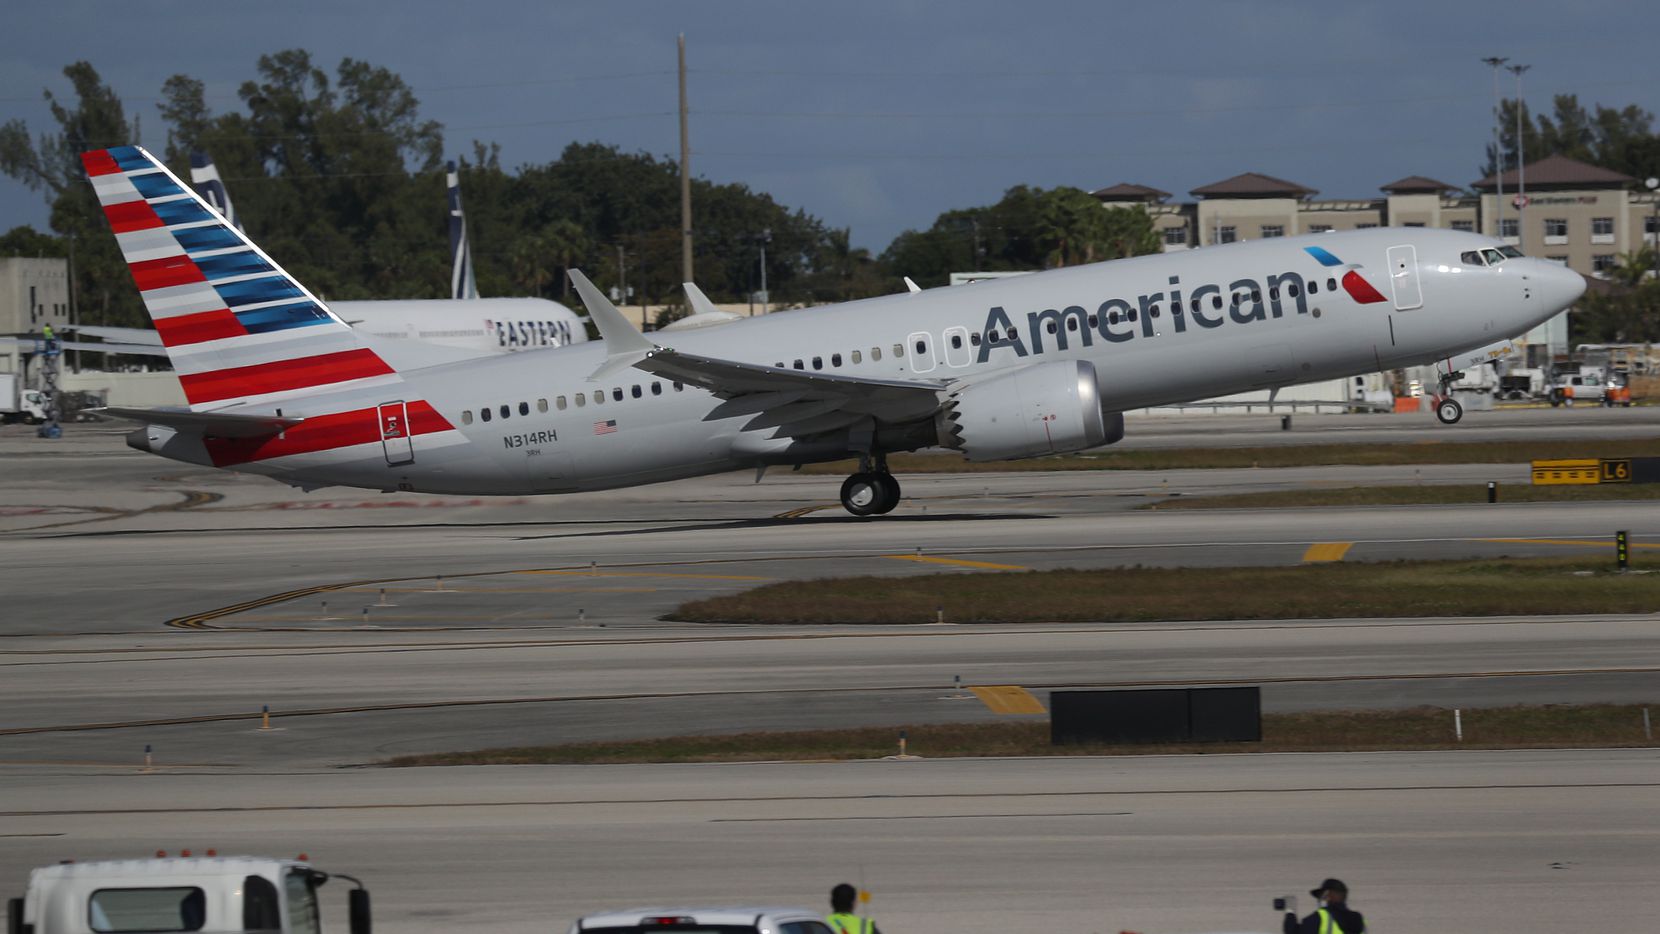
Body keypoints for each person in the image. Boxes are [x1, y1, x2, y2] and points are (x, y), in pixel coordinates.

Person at [1284, 878, 1365, 934]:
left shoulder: (1322, 916)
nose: (1319, 900)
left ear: (1328, 895)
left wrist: (1290, 910)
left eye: (1321, 896)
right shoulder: (1359, 919)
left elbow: (1294, 932)